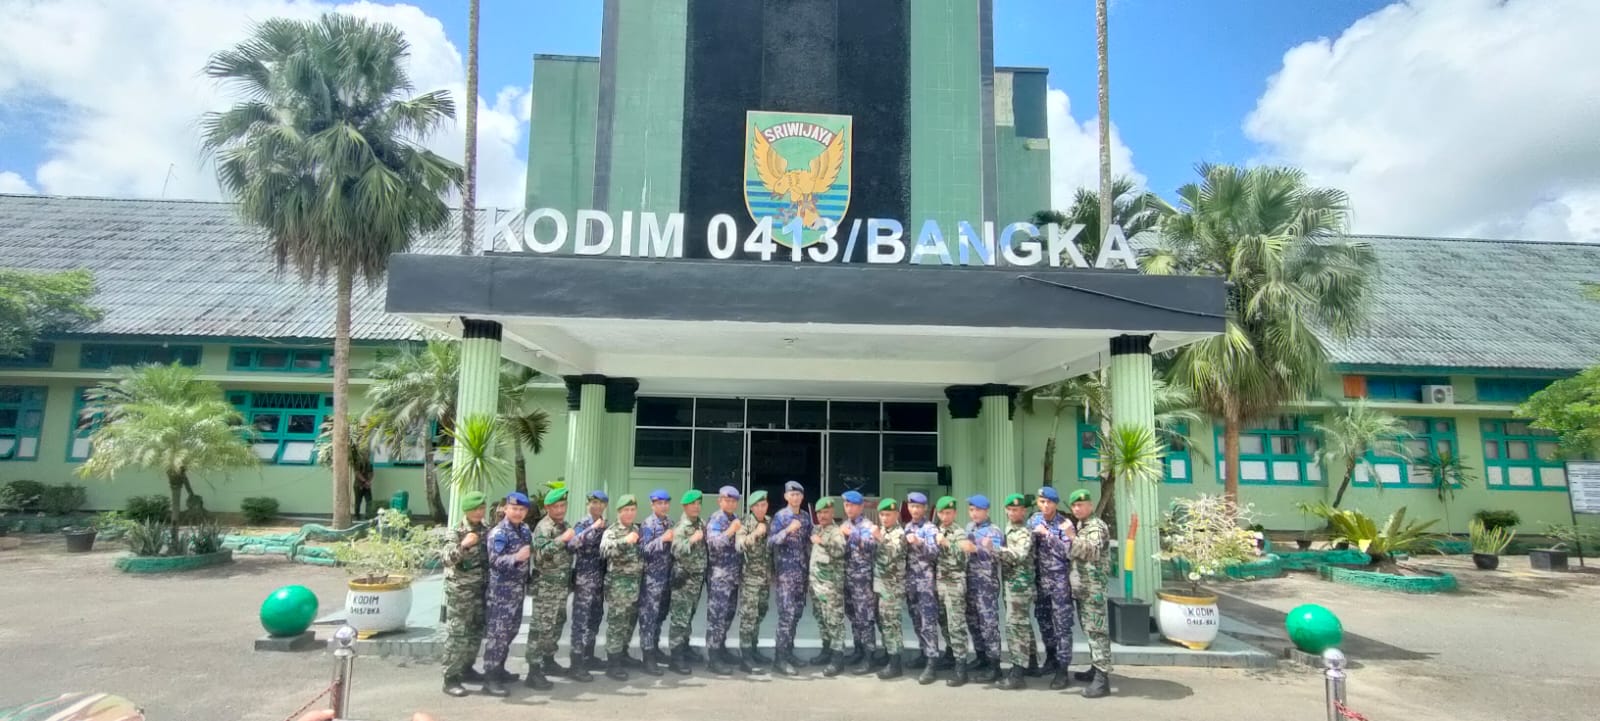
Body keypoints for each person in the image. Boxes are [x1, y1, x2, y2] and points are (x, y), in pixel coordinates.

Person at [481, 492, 534, 696]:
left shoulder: (525, 530)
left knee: (510, 632)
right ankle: (490, 679)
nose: (518, 512)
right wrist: (516, 558)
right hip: (501, 595)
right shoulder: (498, 533)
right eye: (514, 509)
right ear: (506, 509)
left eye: (522, 509)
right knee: (498, 636)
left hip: (517, 592)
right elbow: (495, 561)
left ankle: (499, 670)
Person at [441, 491, 492, 697]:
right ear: (467, 510)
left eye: (481, 508)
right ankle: (450, 677)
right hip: (460, 593)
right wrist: (464, 545)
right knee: (458, 635)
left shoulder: (487, 529)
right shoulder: (456, 531)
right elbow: (446, 559)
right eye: (475, 509)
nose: (479, 512)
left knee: (475, 633)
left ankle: (467, 668)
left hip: (481, 590)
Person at [526, 487, 577, 684]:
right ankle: (533, 671)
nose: (560, 509)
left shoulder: (564, 524)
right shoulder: (543, 527)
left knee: (557, 624)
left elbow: (567, 548)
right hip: (546, 586)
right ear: (548, 507)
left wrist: (573, 543)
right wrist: (563, 539)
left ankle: (548, 660)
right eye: (556, 506)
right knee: (541, 627)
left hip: (561, 585)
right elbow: (542, 553)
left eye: (563, 505)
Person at [1065, 488, 1113, 698]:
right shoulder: (1082, 525)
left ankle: (1103, 679)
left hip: (1093, 590)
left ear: (1090, 506)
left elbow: (1092, 552)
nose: (1077, 508)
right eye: (1074, 505)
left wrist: (1072, 538)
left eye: (1081, 505)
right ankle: (1096, 667)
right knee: (1089, 629)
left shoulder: (1096, 527)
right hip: (1083, 588)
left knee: (1097, 631)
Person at [1029, 486, 1076, 690]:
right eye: (1042, 502)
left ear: (1056, 503)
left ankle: (1062, 670)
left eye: (1049, 502)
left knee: (1062, 627)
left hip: (1059, 583)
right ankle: (1051, 659)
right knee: (1044, 622)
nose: (1045, 506)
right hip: (1041, 583)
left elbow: (1069, 551)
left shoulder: (1065, 524)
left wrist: (1048, 535)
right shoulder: (1033, 520)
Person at [767, 480, 813, 675]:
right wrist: (787, 530)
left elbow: (810, 540)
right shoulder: (780, 517)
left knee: (796, 615)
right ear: (786, 497)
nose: (795, 498)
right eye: (792, 495)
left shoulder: (805, 516)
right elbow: (770, 542)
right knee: (786, 616)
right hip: (786, 574)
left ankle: (789, 652)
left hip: (801, 574)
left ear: (802, 497)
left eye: (798, 495)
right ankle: (780, 658)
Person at [928, 496, 974, 687]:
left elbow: (963, 556)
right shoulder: (936, 530)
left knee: (956, 625)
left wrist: (946, 543)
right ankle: (949, 653)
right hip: (939, 584)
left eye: (948, 513)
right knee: (944, 622)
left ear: (954, 513)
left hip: (954, 585)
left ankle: (961, 666)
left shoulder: (959, 532)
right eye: (941, 513)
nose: (945, 516)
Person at [600, 494, 646, 682]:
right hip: (619, 586)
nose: (629, 513)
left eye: (632, 510)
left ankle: (623, 653)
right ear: (619, 512)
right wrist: (625, 541)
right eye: (626, 510)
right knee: (617, 624)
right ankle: (613, 663)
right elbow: (604, 551)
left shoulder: (637, 529)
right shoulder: (612, 531)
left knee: (629, 623)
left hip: (635, 585)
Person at [996, 493, 1037, 690]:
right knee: (1023, 625)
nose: (1013, 512)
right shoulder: (1010, 529)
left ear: (1024, 511)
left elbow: (1019, 555)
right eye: (1010, 509)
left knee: (1016, 626)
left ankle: (1017, 673)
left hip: (1020, 587)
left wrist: (996, 550)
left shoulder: (1024, 532)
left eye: (1017, 510)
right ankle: (1032, 663)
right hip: (1012, 585)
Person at [566, 490, 610, 676]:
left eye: (600, 503)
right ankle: (576, 664)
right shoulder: (582, 524)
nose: (597, 506)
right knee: (580, 622)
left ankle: (588, 657)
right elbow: (572, 543)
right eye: (593, 502)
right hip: (584, 580)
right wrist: (592, 529)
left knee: (595, 618)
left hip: (599, 580)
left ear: (605, 506)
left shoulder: (606, 525)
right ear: (588, 504)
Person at [704, 485, 746, 674]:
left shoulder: (735, 519)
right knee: (717, 617)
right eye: (727, 500)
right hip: (719, 578)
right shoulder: (716, 519)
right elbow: (713, 543)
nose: (730, 503)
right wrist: (731, 530)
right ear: (719, 501)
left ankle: (721, 649)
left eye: (734, 501)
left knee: (728, 616)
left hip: (733, 577)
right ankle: (713, 657)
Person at [964, 494, 1004, 684]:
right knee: (974, 623)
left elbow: (998, 556)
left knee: (989, 626)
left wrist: (979, 549)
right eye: (971, 510)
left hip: (986, 585)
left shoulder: (993, 531)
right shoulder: (969, 528)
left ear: (986, 511)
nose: (974, 513)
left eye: (978, 510)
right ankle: (981, 657)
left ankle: (994, 665)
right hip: (970, 584)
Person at [667, 488, 708, 674]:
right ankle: (676, 657)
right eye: (693, 504)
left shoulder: (701, 524)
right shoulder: (681, 527)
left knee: (689, 617)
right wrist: (692, 540)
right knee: (679, 620)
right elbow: (676, 550)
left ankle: (685, 648)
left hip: (697, 580)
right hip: (684, 581)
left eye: (698, 503)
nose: (696, 507)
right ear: (684, 506)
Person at [808, 496, 850, 676]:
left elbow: (840, 551)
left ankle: (837, 658)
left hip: (831, 586)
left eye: (826, 512)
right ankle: (826, 651)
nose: (822, 516)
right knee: (822, 620)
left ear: (832, 512)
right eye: (819, 513)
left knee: (834, 622)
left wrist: (821, 541)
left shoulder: (835, 532)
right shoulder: (818, 529)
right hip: (816, 585)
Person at [636, 488, 676, 675]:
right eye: (660, 503)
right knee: (649, 619)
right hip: (651, 580)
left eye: (666, 503)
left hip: (666, 579)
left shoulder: (670, 522)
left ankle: (656, 648)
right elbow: (642, 550)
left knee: (660, 616)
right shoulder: (647, 524)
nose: (664, 506)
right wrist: (662, 539)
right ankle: (648, 657)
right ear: (653, 505)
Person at [839, 489, 879, 673]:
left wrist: (852, 534)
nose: (848, 508)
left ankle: (869, 657)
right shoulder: (845, 523)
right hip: (848, 578)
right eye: (846, 505)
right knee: (853, 616)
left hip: (862, 580)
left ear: (861, 506)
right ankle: (858, 649)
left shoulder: (867, 525)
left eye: (852, 505)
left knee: (865, 618)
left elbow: (872, 546)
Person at [902, 491, 941, 675]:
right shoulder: (908, 526)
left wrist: (919, 542)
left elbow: (935, 553)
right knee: (917, 621)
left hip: (925, 583)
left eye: (918, 506)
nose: (915, 510)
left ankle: (932, 661)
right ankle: (923, 653)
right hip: (911, 583)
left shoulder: (930, 528)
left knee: (928, 623)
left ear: (924, 508)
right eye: (912, 506)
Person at [870, 497, 908, 680]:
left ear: (896, 515)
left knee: (892, 624)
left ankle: (895, 663)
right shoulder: (884, 530)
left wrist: (879, 538)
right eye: (882, 514)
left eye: (888, 514)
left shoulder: (899, 534)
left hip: (892, 587)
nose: (885, 518)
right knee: (883, 622)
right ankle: (888, 653)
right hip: (880, 585)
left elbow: (892, 554)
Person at [735, 489, 774, 668]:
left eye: (763, 505)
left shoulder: (770, 522)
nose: (760, 509)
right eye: (757, 506)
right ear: (751, 507)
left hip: (765, 579)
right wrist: (756, 534)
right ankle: (745, 656)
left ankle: (754, 649)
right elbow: (739, 545)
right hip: (750, 579)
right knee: (748, 617)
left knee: (760, 614)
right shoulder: (745, 523)